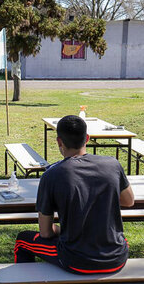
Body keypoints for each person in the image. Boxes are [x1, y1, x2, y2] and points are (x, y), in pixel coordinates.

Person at [15, 115, 135, 274]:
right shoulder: (112, 164)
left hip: (76, 261)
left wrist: (60, 230)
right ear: (87, 138)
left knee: (22, 240)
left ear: (59, 142)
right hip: (117, 257)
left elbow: (45, 232)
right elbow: (129, 201)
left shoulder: (52, 175)